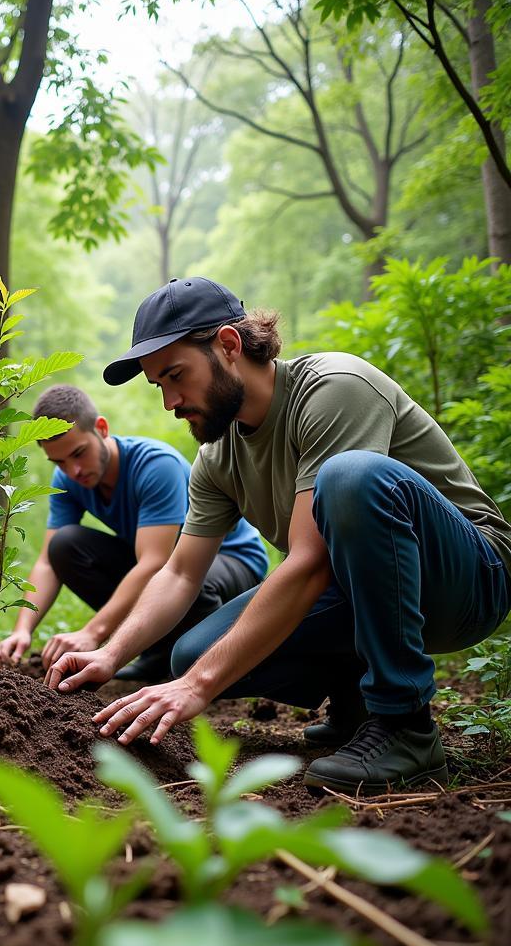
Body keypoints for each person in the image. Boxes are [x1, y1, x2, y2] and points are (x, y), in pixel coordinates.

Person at [47, 276, 511, 795]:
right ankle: (355, 702)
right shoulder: (217, 458)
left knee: (349, 477)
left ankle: (405, 726)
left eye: (177, 375)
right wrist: (109, 653)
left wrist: (198, 688)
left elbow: (309, 563)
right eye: (159, 385)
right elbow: (179, 572)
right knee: (191, 653)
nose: (170, 402)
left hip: (467, 579)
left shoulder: (334, 388)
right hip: (363, 592)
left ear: (228, 345)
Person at [0, 384, 267, 679]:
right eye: (59, 462)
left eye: (79, 453)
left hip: (232, 565)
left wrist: (92, 633)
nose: (73, 471)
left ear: (101, 428)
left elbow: (154, 564)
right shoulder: (68, 479)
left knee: (186, 577)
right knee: (65, 546)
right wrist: (22, 629)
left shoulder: (155, 466)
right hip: (172, 570)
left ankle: (213, 656)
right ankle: (159, 652)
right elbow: (48, 562)